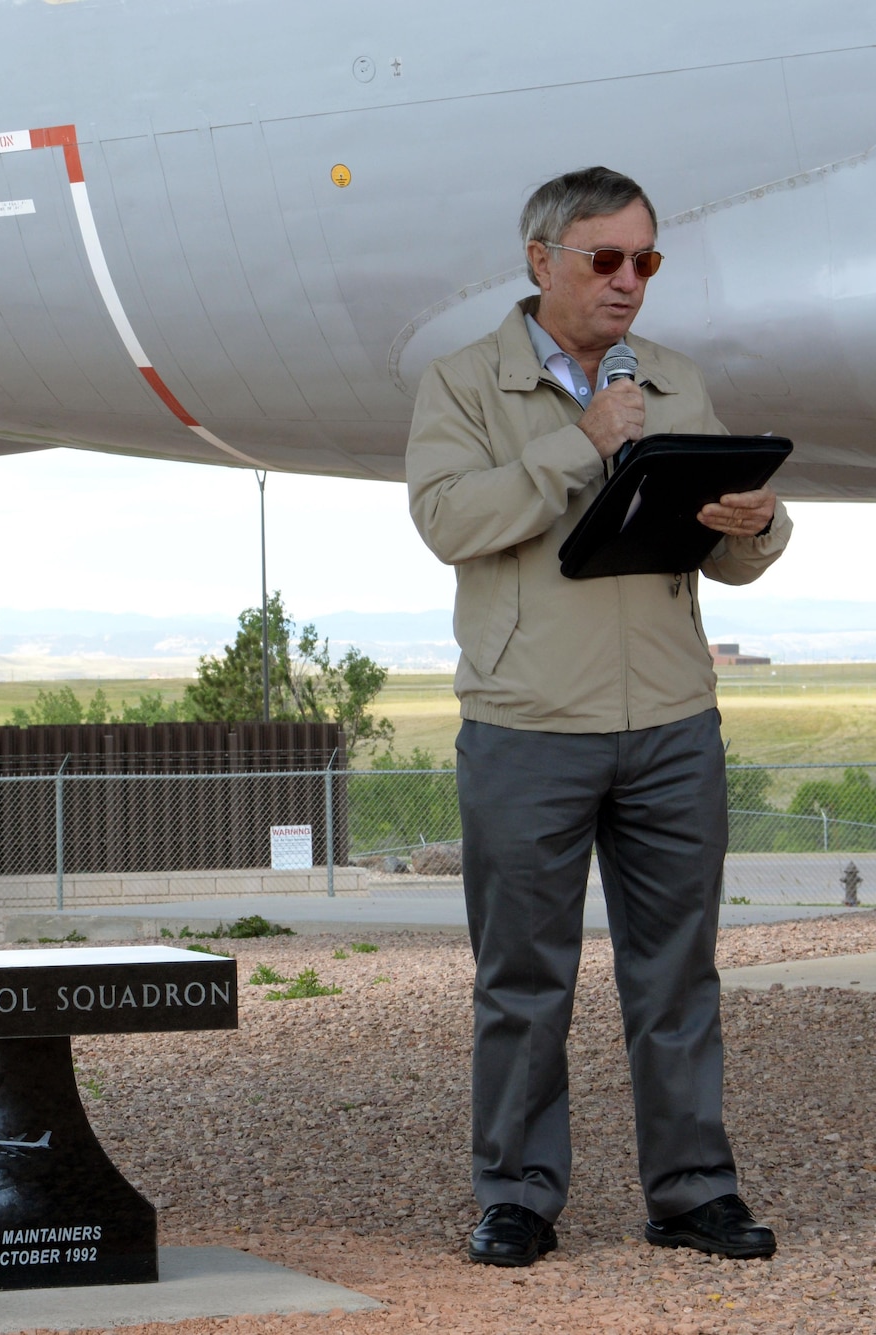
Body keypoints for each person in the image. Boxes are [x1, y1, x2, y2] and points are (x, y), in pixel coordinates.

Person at [405, 166, 788, 1268]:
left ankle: (692, 1194)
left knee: (675, 973)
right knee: (522, 980)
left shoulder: (671, 381)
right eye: (605, 260)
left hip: (670, 722)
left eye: (644, 262)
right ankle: (516, 1196)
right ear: (539, 260)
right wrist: (581, 440)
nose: (628, 284)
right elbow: (447, 519)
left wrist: (753, 523)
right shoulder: (462, 383)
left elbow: (728, 556)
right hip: (526, 724)